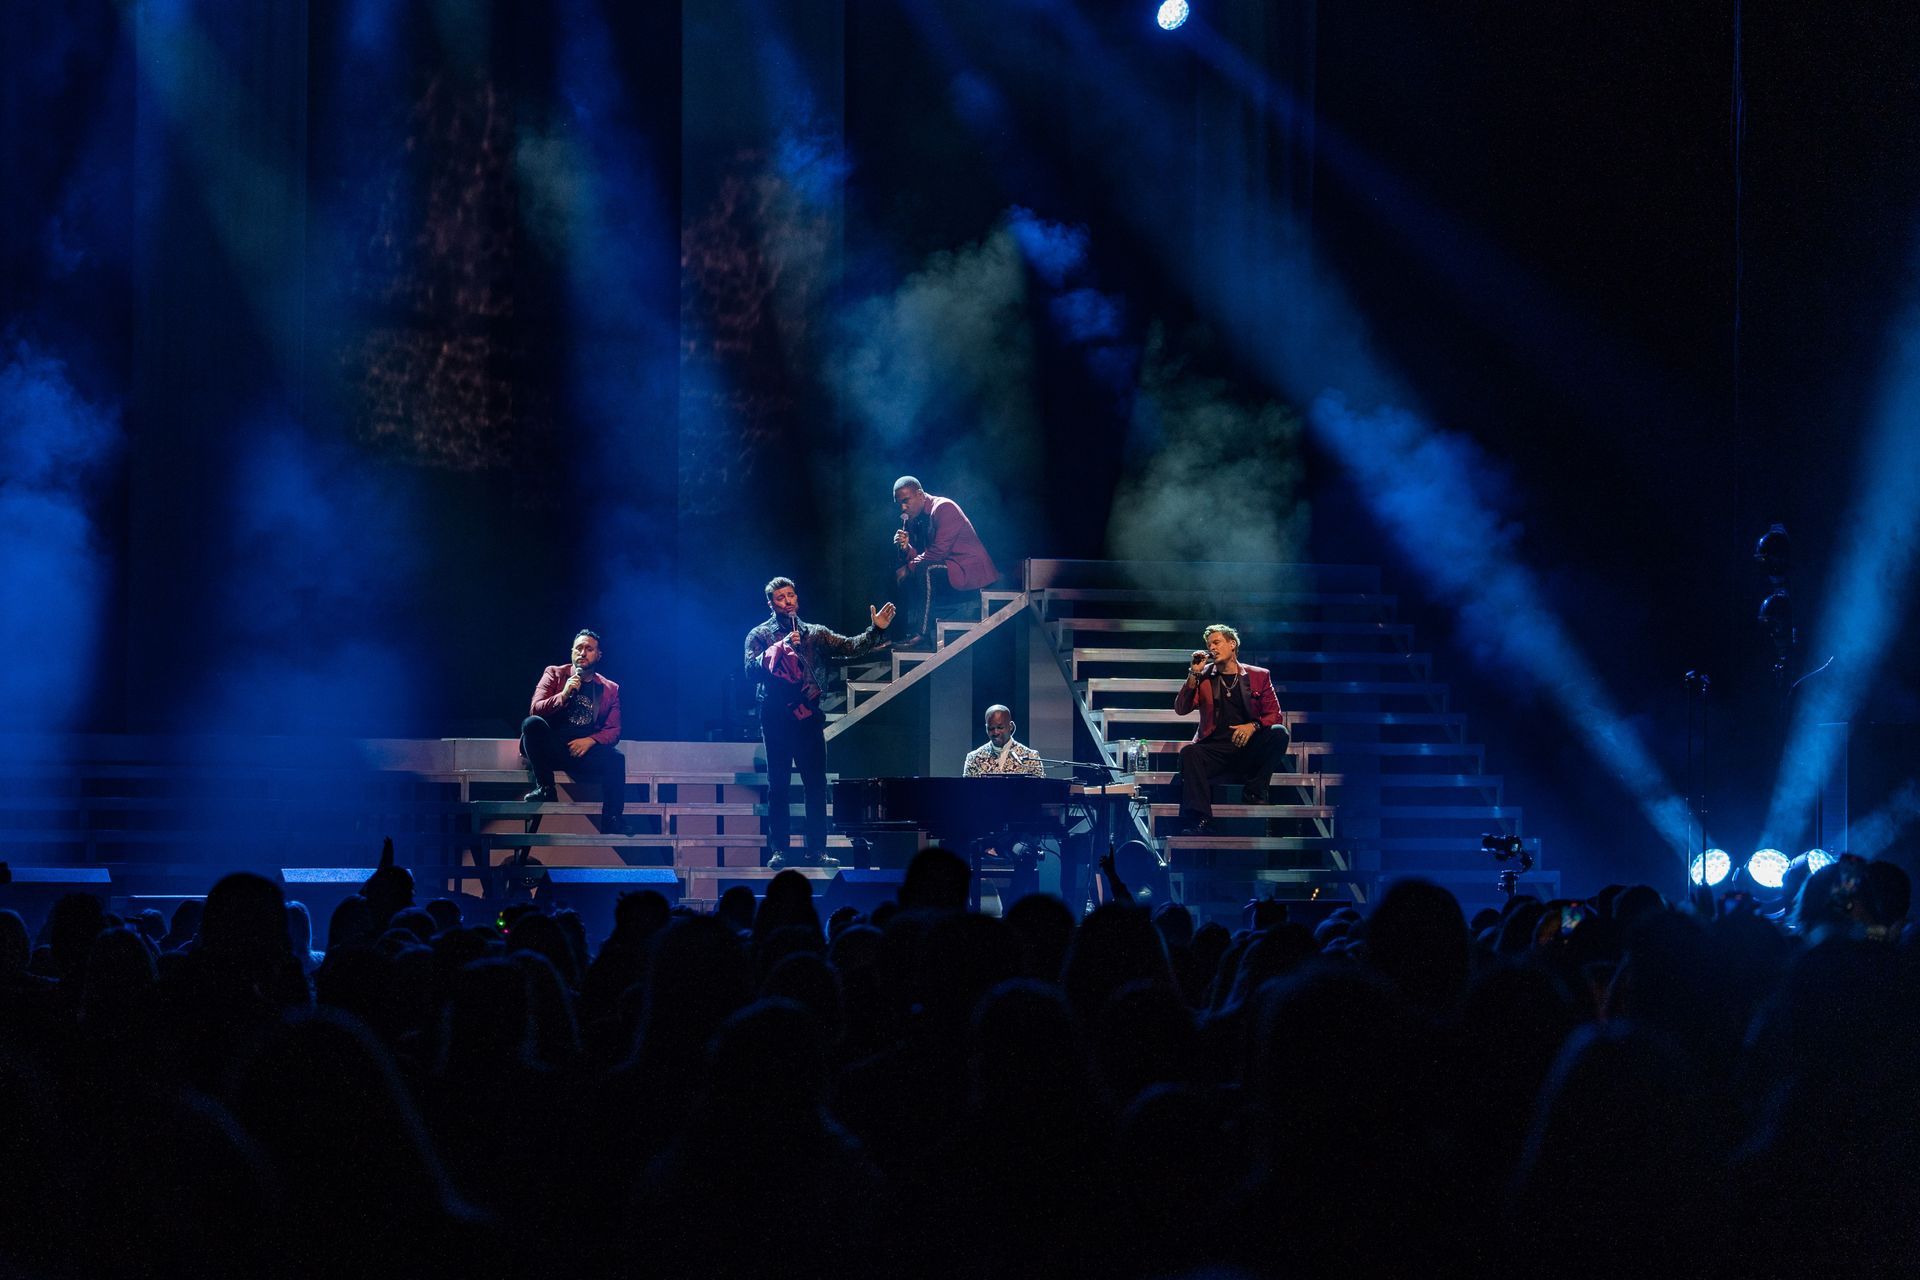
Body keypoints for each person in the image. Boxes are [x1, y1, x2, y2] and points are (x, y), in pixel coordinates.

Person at [745, 577, 896, 869]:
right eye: (780, 598)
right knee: (778, 785)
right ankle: (780, 850)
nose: (787, 601)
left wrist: (876, 629)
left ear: (797, 598)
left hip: (808, 717)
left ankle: (817, 850)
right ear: (770, 604)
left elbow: (851, 647)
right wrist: (781, 647)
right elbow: (750, 671)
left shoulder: (815, 633)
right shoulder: (760, 635)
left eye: (791, 595)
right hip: (776, 716)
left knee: (815, 785)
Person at [1172, 624, 1289, 835]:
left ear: (1232, 644)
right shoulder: (1204, 676)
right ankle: (1200, 820)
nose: (1212, 648)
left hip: (1247, 749)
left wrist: (1253, 726)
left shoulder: (1259, 676)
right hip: (1215, 749)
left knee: (1279, 732)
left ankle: (1255, 792)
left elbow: (1275, 714)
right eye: (1209, 645)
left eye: (1216, 642)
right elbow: (1181, 709)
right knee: (1189, 752)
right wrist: (1193, 674)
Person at [521, 629, 626, 830]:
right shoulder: (554, 673)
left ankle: (612, 819)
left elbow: (614, 730)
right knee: (531, 724)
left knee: (616, 759)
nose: (583, 653)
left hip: (583, 752)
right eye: (579, 648)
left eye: (589, 649)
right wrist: (563, 694)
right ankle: (546, 788)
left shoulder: (610, 688)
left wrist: (591, 741)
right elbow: (535, 708)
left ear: (598, 655)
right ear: (572, 652)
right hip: (554, 749)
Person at [891, 476, 998, 649]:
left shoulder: (945, 508)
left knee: (927, 569)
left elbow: (937, 552)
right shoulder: (917, 518)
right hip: (950, 567)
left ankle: (922, 634)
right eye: (899, 503)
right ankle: (896, 633)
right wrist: (906, 549)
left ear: (919, 494)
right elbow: (923, 555)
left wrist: (909, 568)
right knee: (902, 571)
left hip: (969, 571)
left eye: (906, 501)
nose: (903, 508)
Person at [963, 705, 1045, 777]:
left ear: (1011, 726)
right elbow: (968, 791)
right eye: (991, 728)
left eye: (1000, 727)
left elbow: (1039, 791)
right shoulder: (974, 758)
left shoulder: (1031, 757)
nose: (995, 732)